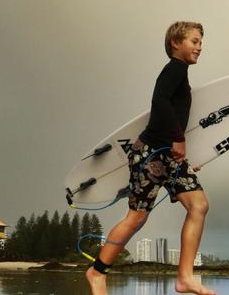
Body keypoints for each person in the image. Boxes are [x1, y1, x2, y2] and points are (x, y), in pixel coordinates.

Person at [86, 21, 215, 295]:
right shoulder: (175, 69)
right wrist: (178, 139)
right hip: (151, 154)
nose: (199, 47)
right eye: (194, 41)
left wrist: (184, 152)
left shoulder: (181, 73)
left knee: (199, 205)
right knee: (136, 219)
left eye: (201, 42)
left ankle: (185, 278)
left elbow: (176, 112)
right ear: (175, 44)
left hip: (171, 158)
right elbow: (159, 102)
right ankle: (96, 273)